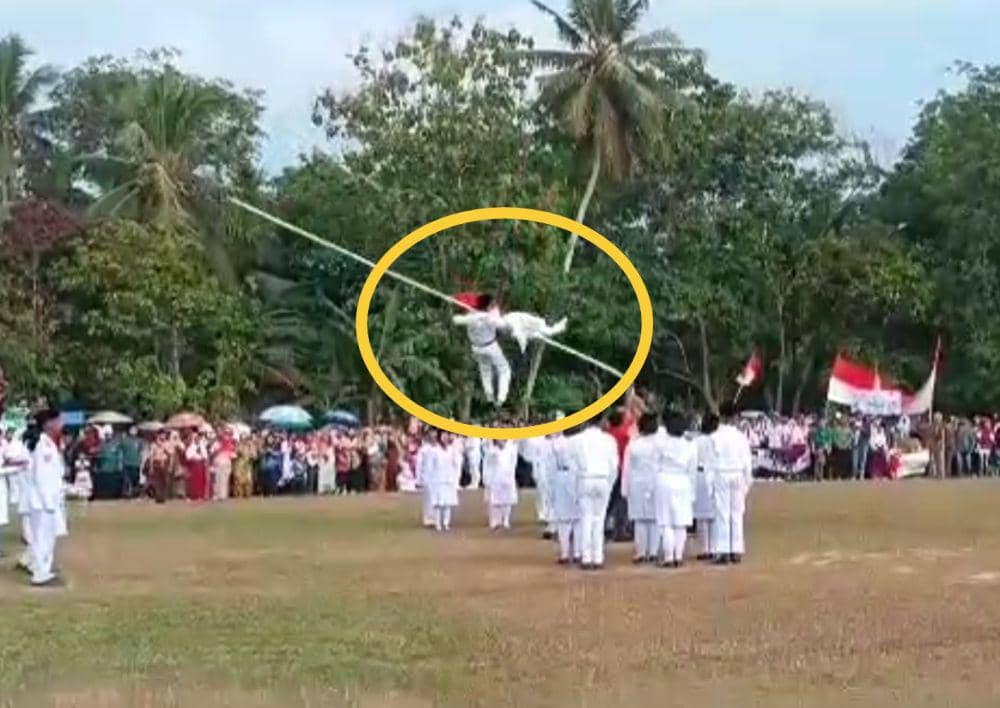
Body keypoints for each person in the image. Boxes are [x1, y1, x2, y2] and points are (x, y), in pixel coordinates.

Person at [25, 410, 67, 587]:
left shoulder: (48, 443)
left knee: (46, 536)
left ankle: (42, 568)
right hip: (43, 500)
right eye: (58, 420)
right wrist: (49, 501)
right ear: (48, 424)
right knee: (44, 537)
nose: (61, 424)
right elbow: (42, 477)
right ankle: (41, 573)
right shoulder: (44, 446)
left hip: (47, 498)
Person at [571, 419, 618, 570]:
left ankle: (586, 557)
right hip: (603, 478)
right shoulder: (609, 440)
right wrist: (609, 484)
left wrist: (575, 486)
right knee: (599, 519)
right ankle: (598, 557)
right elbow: (614, 465)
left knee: (586, 518)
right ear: (602, 421)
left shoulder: (577, 440)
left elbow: (574, 465)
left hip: (585, 478)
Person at [709, 402, 753, 565]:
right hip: (737, 474)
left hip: (721, 474)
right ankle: (736, 549)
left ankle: (723, 551)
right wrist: (747, 482)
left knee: (722, 513)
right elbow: (747, 462)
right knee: (736, 513)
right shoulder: (740, 437)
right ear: (735, 417)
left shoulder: (714, 437)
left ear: (720, 416)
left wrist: (710, 485)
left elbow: (710, 463)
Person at [656, 411, 698, 568]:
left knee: (666, 522)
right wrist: (692, 492)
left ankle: (668, 557)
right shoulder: (690, 445)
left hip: (664, 480)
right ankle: (678, 556)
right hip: (683, 482)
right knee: (680, 523)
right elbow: (692, 470)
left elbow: (655, 465)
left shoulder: (660, 444)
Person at [452, 295, 511, 406]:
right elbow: (503, 325)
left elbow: (456, 320)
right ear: (488, 306)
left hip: (477, 348)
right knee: (505, 370)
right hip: (491, 347)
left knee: (485, 371)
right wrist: (494, 315)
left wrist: (476, 316)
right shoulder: (491, 317)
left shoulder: (471, 315)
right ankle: (501, 398)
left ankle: (489, 394)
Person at [624, 413, 661, 564]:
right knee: (655, 519)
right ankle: (653, 551)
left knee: (640, 520)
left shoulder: (634, 444)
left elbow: (627, 468)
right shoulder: (660, 444)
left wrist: (625, 488)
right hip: (656, 482)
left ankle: (641, 552)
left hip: (637, 483)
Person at [549, 428, 581, 564]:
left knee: (563, 519)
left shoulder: (556, 443)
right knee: (578, 518)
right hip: (577, 476)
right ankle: (578, 552)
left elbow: (550, 465)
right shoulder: (580, 442)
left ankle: (564, 553)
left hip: (561, 475)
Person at [693, 412, 718, 560]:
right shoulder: (717, 440)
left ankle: (705, 548)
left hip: (701, 475)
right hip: (712, 475)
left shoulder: (697, 441)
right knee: (712, 514)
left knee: (702, 516)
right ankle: (713, 547)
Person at [483, 438, 519, 530]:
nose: (501, 442)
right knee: (495, 500)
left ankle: (506, 520)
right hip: (495, 477)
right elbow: (488, 465)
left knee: (507, 500)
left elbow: (513, 463)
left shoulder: (511, 450)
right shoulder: (492, 451)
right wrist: (487, 478)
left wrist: (511, 475)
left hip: (508, 477)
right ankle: (495, 521)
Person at [501, 311, 568, 354]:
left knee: (548, 332)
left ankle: (562, 326)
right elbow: (520, 335)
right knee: (537, 335)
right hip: (527, 327)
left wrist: (523, 349)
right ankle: (561, 325)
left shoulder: (510, 323)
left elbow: (519, 336)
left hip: (532, 324)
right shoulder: (508, 320)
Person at [211, 427, 236, 500]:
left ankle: (222, 495)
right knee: (217, 478)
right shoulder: (216, 442)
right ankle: (217, 494)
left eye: (228, 434)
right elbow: (212, 452)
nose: (226, 436)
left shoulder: (230, 443)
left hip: (225, 461)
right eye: (226, 433)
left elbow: (232, 453)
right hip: (218, 460)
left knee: (224, 479)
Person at [811, 417, 833, 481]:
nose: (822, 424)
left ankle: (821, 476)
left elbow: (829, 440)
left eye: (823, 423)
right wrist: (813, 448)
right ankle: (816, 477)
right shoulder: (816, 431)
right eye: (821, 423)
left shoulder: (827, 431)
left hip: (824, 449)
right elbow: (813, 440)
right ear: (819, 424)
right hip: (818, 448)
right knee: (817, 462)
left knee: (822, 463)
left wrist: (829, 448)